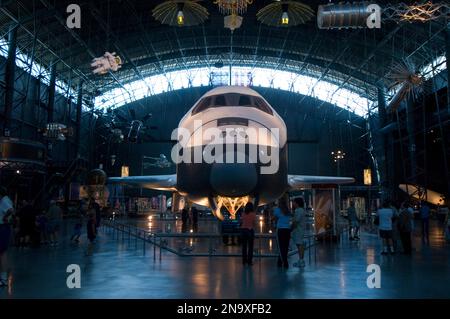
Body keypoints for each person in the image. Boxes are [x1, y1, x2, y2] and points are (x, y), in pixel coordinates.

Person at [0, 187, 14, 287]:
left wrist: (4, 217)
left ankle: (3, 278)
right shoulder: (6, 199)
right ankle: (3, 277)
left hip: (2, 227)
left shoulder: (4, 200)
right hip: (3, 227)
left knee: (2, 253)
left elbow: (10, 210)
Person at [273, 197, 292, 269]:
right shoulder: (288, 210)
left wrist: (274, 224)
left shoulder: (277, 210)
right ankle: (281, 261)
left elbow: (274, 218)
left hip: (280, 230)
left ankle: (284, 262)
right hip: (287, 230)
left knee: (280, 247)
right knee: (286, 246)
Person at [291, 198, 307, 268]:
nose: (293, 204)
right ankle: (301, 260)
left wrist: (290, 229)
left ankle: (301, 261)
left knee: (299, 245)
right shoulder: (301, 210)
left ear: (297, 203)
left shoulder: (298, 211)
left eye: (294, 202)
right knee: (300, 245)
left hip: (298, 230)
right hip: (300, 230)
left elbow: (296, 221)